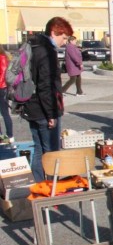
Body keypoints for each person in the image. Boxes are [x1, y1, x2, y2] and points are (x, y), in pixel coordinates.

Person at [21, 16, 72, 182]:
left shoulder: (33, 45)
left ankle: (39, 185)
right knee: (51, 151)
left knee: (38, 149)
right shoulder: (46, 52)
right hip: (44, 109)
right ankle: (51, 186)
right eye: (63, 37)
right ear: (53, 32)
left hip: (31, 106)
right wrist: (51, 114)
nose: (64, 42)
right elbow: (46, 86)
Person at [0, 46, 15, 141]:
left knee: (5, 113)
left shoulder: (2, 58)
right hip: (3, 87)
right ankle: (2, 136)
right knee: (5, 113)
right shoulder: (4, 57)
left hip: (2, 88)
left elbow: (3, 74)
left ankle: (10, 135)